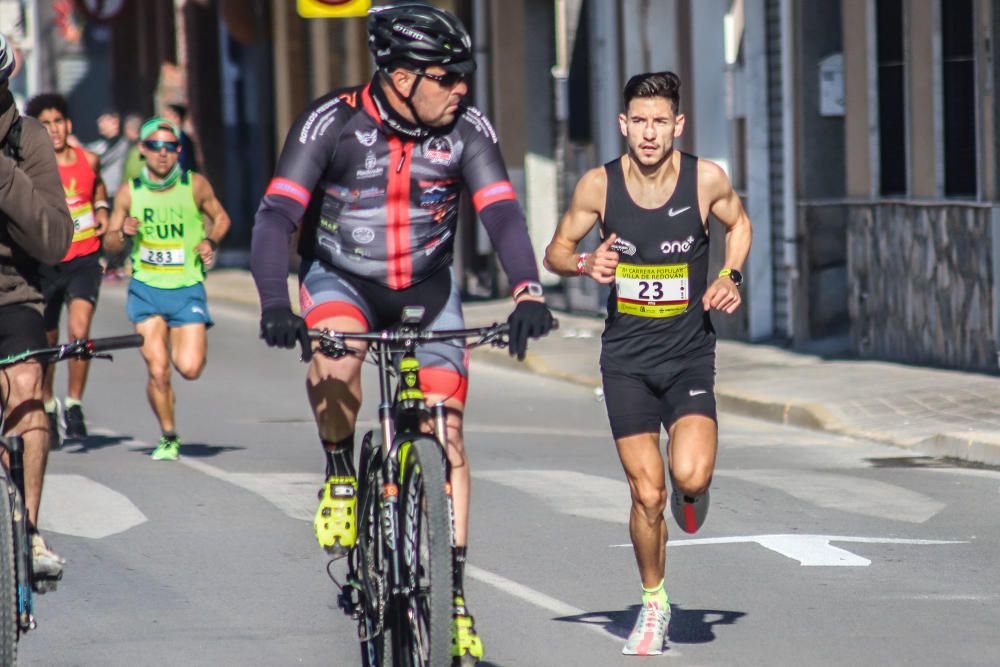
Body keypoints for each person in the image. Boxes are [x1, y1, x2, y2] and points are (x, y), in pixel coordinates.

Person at [251, 4, 555, 663]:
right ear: (402, 76)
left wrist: (528, 289)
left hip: (427, 288)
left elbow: (500, 211)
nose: (462, 88)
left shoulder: (466, 128)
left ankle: (453, 600)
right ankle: (339, 471)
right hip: (343, 281)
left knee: (448, 432)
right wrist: (277, 303)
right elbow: (276, 215)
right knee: (336, 364)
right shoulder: (330, 123)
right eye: (448, 76)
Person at [544, 71, 752, 656]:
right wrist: (586, 265)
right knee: (647, 495)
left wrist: (730, 275)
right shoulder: (598, 187)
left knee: (689, 477)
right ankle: (654, 603)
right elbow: (555, 252)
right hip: (626, 361)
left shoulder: (706, 179)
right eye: (640, 121)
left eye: (661, 121)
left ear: (678, 125)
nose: (650, 132)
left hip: (688, 356)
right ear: (624, 125)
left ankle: (695, 492)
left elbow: (739, 226)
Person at [103, 116, 230, 461]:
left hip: (186, 287)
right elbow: (110, 244)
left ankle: (179, 351)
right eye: (156, 147)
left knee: (188, 368)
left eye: (171, 147)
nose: (163, 154)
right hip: (146, 288)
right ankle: (169, 434)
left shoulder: (195, 185)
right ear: (143, 150)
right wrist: (123, 233)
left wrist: (211, 242)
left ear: (178, 151)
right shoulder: (131, 191)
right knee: (158, 370)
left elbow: (221, 217)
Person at [0, 33, 75, 579]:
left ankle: (26, 527)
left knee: (26, 386)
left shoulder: (28, 141)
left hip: (13, 292)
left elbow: (54, 241)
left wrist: (3, 175)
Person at [26, 93, 110, 447]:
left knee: (79, 331)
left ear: (68, 124)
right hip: (47, 262)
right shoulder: (30, 166)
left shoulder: (89, 159)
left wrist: (103, 208)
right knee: (46, 342)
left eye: (58, 121)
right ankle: (47, 403)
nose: (54, 129)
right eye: (45, 123)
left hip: (84, 259)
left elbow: (98, 188)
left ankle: (74, 404)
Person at [86, 109, 129, 197]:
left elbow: (101, 160)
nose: (100, 125)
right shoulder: (100, 145)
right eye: (99, 121)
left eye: (103, 120)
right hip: (100, 194)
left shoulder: (123, 144)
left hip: (115, 194)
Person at [160, 103, 199, 173]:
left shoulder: (182, 140)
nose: (163, 119)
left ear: (176, 118)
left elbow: (183, 164)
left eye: (166, 116)